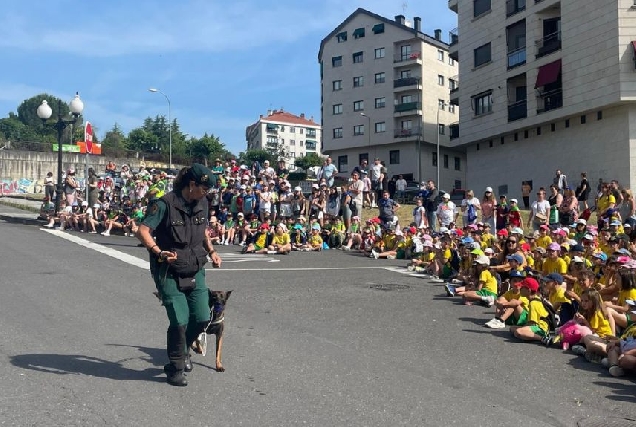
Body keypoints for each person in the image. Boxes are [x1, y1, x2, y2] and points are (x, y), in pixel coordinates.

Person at [136, 164, 222, 387]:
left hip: (195, 266)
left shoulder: (202, 203)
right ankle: (175, 366)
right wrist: (158, 252)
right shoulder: (163, 204)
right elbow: (143, 230)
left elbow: (202, 229)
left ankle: (183, 351)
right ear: (191, 185)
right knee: (180, 319)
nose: (207, 193)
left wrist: (211, 251)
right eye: (204, 188)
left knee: (203, 316)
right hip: (169, 269)